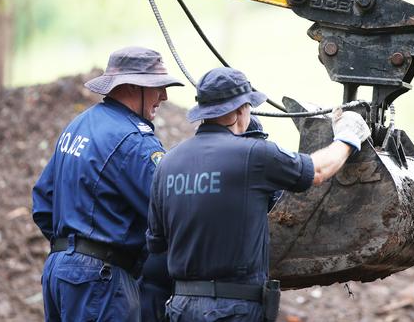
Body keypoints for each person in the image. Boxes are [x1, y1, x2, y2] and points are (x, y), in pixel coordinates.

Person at [146, 67, 370, 321]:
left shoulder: (168, 163)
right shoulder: (253, 155)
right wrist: (348, 138)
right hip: (233, 310)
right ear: (240, 110)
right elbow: (318, 170)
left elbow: (157, 242)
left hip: (181, 307)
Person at [32, 46, 184, 321]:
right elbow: (172, 210)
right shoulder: (134, 142)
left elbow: (43, 202)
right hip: (99, 281)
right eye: (156, 87)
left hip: (58, 274)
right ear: (130, 87)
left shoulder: (79, 125)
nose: (164, 96)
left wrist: (71, 253)